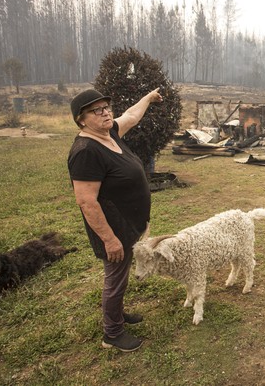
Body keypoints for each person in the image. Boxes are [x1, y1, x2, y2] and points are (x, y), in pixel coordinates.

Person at [67, 87, 163, 352]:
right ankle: (112, 333)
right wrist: (109, 239)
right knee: (115, 279)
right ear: (81, 119)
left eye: (106, 107)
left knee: (119, 278)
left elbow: (131, 116)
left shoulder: (109, 134)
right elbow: (86, 200)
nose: (105, 113)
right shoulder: (86, 151)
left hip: (128, 225)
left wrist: (148, 98)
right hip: (113, 229)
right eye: (96, 110)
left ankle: (118, 316)